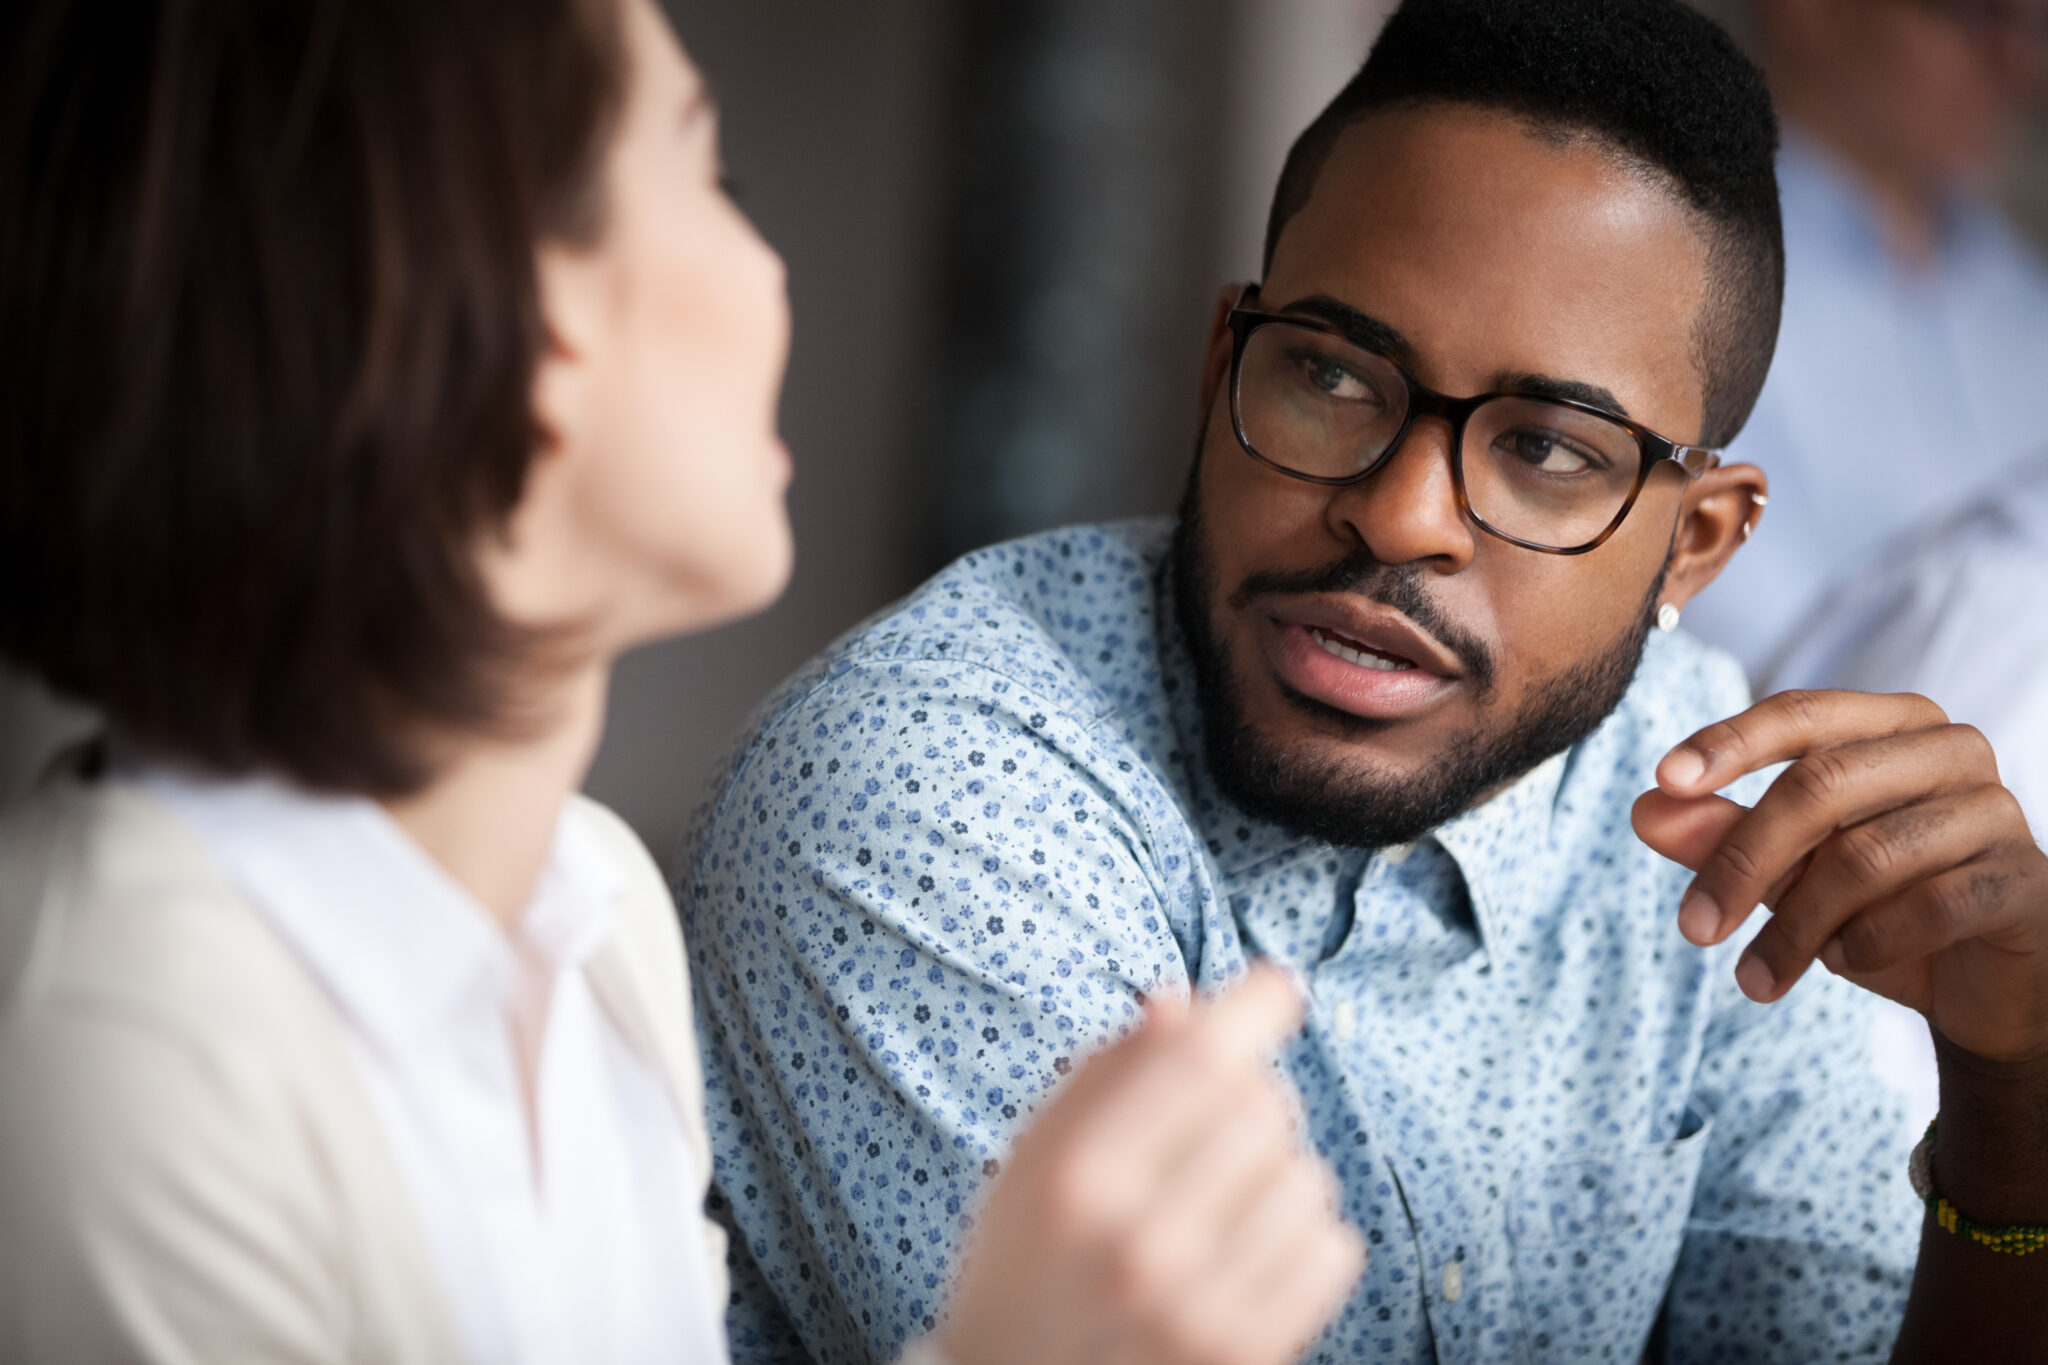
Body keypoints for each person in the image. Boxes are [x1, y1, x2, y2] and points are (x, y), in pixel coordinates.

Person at [681, 0, 2048, 1360]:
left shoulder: (1695, 788)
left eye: (1549, 449)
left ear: (1694, 543)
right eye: (1332, 375)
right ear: (1227, 364)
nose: (1402, 517)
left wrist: (2016, 1106)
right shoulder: (940, 795)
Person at [0, 2, 1363, 1363]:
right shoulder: (123, 1056)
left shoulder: (588, 916)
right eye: (713, 179)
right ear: (539, 321)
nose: (770, 271)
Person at [1683, 0, 2048, 677]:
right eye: (1977, 16)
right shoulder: (1681, 259)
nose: (2020, 62)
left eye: (2035, 27)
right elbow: (1737, 651)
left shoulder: (2027, 304)